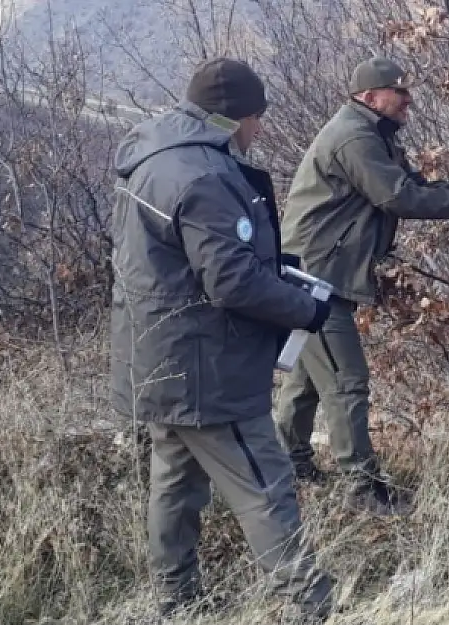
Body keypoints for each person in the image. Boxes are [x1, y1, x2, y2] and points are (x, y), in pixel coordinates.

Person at [108, 57, 337, 621]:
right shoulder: (206, 176)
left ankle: (176, 599)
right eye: (257, 118)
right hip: (207, 368)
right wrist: (306, 308)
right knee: (264, 483)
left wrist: (268, 267)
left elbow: (182, 264)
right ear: (234, 117)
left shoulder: (152, 158)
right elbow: (231, 281)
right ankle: (312, 603)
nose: (259, 130)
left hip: (157, 359)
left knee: (175, 483)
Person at [273, 56, 449, 514]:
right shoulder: (355, 137)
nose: (409, 99)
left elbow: (411, 183)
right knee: (346, 380)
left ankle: (288, 467)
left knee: (308, 379)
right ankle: (363, 490)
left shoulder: (371, 133)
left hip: (312, 273)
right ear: (370, 96)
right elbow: (399, 197)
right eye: (400, 92)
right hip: (316, 279)